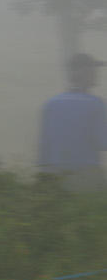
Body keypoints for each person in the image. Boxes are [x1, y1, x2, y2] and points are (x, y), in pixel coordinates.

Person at [36, 53, 107, 192]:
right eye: (92, 69)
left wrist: (44, 178)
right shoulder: (95, 104)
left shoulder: (51, 104)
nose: (96, 73)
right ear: (83, 73)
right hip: (86, 174)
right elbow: (103, 142)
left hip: (56, 174)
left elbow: (44, 146)